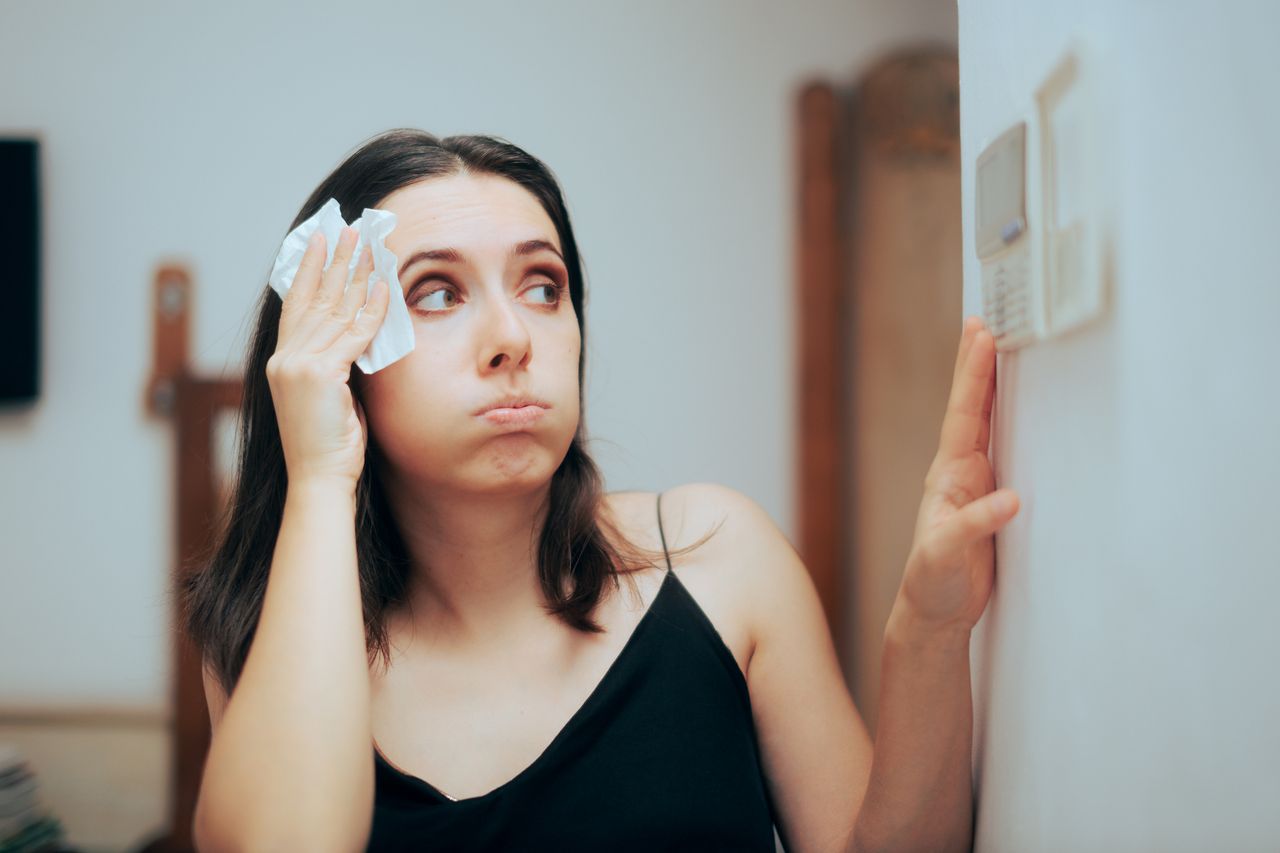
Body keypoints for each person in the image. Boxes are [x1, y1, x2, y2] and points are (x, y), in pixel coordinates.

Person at [180, 129, 1020, 853]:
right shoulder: (268, 631)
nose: (513, 337)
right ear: (344, 351)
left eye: (543, 286)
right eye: (436, 293)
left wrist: (930, 631)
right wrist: (322, 471)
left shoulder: (720, 559)